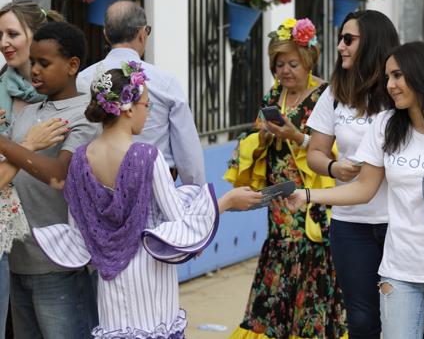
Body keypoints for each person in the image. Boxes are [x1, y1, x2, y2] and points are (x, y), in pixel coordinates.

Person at [31, 61, 262, 338]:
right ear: (128, 108)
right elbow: (181, 224)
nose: (149, 112)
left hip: (110, 277)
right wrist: (225, 202)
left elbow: (79, 226)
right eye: (147, 105)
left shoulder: (81, 158)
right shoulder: (146, 156)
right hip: (151, 269)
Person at [288, 41, 424, 339]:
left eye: (397, 76)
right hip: (400, 269)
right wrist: (308, 195)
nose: (390, 85)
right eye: (388, 77)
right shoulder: (386, 125)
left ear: (423, 74)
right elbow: (363, 189)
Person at [224, 18, 347, 338]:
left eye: (293, 63)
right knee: (279, 263)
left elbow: (336, 152)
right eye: (279, 64)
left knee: (312, 264)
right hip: (279, 202)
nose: (285, 71)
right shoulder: (273, 96)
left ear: (309, 60)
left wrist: (295, 135)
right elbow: (250, 141)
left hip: (312, 202)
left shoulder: (327, 96)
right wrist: (263, 137)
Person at [0, 21, 100, 338]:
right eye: (33, 62)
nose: (35, 71)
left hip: (60, 263)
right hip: (18, 259)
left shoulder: (85, 114)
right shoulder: (29, 112)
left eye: (45, 63)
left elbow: (59, 176)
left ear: (72, 65)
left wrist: (6, 144)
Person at [305, 10, 398, 339]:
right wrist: (333, 167)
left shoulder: (398, 92)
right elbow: (314, 153)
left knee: (401, 317)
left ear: (371, 42)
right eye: (341, 39)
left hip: (398, 223)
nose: (340, 46)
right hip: (350, 225)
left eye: (349, 39)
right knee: (361, 319)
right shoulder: (334, 93)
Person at [77, 0, 204, 185]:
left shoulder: (83, 80)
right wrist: (198, 196)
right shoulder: (164, 82)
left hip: (97, 186)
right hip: (154, 186)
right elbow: (188, 152)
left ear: (105, 34)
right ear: (142, 33)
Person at [0, 1, 65, 338]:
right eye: (0, 35)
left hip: (57, 249)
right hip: (9, 249)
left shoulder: (68, 92)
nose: (4, 43)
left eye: (12, 33)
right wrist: (27, 143)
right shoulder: (0, 93)